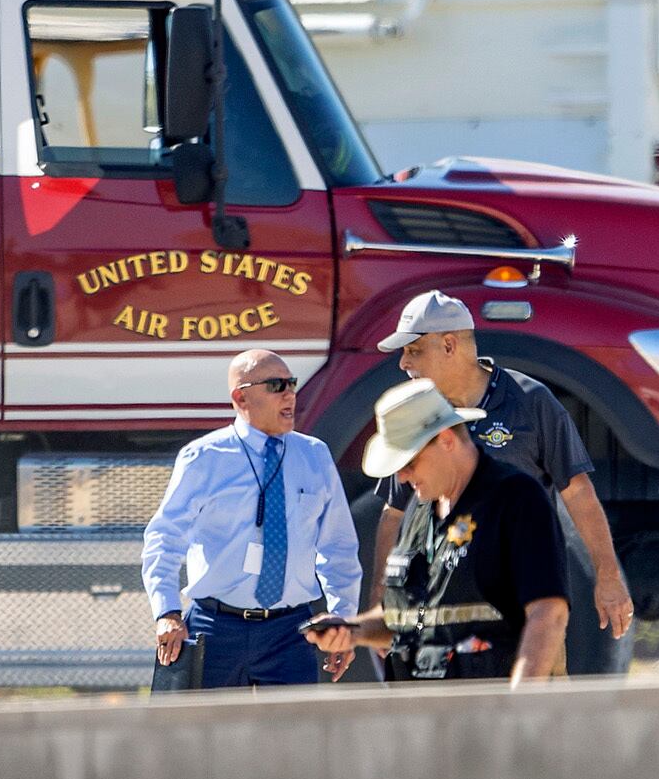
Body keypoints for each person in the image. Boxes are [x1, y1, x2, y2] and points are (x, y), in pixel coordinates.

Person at [367, 290, 633, 673]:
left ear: (448, 345)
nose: (404, 364)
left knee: (533, 722)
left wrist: (607, 575)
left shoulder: (530, 401)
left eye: (413, 351)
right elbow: (394, 513)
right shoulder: (417, 413)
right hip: (443, 623)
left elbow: (577, 492)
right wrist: (382, 599)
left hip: (526, 614)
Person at [305, 379, 569, 685]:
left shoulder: (516, 499)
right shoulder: (419, 511)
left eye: (408, 462)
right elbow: (405, 618)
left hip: (490, 710)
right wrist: (352, 631)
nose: (402, 476)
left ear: (445, 440)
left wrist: (518, 708)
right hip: (420, 714)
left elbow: (548, 614)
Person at [142, 349, 362, 688]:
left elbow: (339, 547)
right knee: (204, 739)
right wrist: (167, 613)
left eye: (291, 383)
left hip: (290, 632)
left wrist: (343, 619)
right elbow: (164, 538)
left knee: (295, 739)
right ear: (240, 397)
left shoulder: (314, 456)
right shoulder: (204, 457)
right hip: (215, 629)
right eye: (276, 385)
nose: (290, 393)